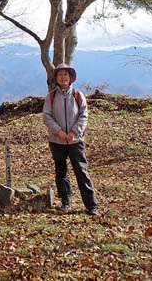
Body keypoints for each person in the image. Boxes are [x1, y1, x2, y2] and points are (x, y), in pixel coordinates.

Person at [42, 64, 99, 216]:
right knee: (61, 172)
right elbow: (46, 116)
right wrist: (58, 131)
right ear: (56, 78)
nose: (63, 77)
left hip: (76, 141)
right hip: (57, 141)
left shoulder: (78, 95)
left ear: (70, 77)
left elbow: (83, 115)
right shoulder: (51, 97)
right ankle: (65, 202)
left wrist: (74, 132)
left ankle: (91, 205)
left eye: (65, 74)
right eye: (60, 75)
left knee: (81, 172)